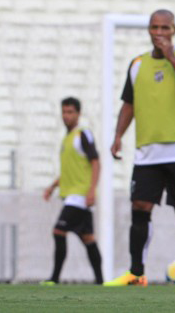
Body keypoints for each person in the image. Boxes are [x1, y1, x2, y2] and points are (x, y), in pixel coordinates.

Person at [105, 9, 175, 288]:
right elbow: (129, 103)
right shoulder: (137, 64)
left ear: (174, 31)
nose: (159, 33)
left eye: (165, 28)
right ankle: (136, 273)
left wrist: (171, 57)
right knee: (139, 207)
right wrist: (118, 136)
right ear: (148, 30)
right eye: (154, 27)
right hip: (147, 152)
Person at [41, 97, 104, 285]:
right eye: (64, 112)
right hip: (72, 194)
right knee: (88, 238)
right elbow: (71, 170)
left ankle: (54, 279)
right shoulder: (67, 139)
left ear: (78, 114)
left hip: (80, 196)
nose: (66, 116)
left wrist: (92, 190)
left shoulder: (83, 134)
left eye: (70, 112)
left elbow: (95, 162)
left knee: (58, 231)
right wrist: (53, 186)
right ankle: (100, 281)